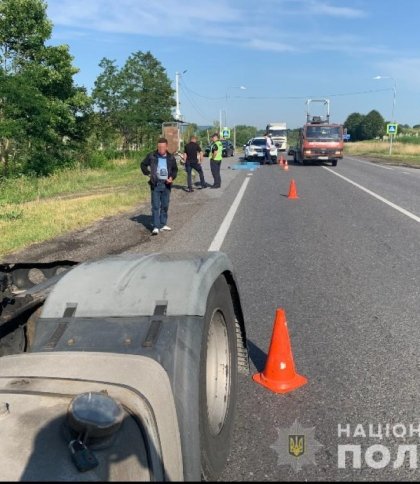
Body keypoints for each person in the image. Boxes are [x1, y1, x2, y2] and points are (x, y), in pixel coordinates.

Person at [140, 137, 178, 235]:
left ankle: (163, 224)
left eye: (163, 147)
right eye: (159, 147)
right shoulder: (152, 156)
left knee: (165, 205)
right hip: (155, 184)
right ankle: (156, 226)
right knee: (156, 206)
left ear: (166, 147)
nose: (161, 149)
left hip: (166, 184)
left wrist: (171, 178)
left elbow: (175, 170)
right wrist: (148, 173)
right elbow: (143, 165)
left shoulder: (171, 157)